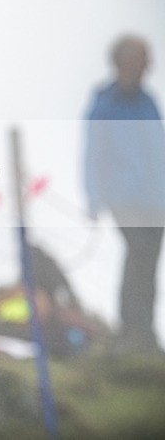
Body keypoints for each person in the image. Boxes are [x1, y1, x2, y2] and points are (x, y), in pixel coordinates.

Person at [84, 34, 165, 354]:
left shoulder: (148, 102)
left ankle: (142, 333)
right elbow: (94, 152)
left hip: (156, 199)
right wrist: (93, 197)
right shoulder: (104, 103)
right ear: (120, 63)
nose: (143, 68)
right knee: (138, 254)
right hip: (124, 197)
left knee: (148, 262)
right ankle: (131, 331)